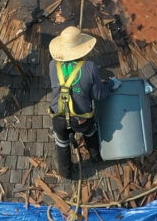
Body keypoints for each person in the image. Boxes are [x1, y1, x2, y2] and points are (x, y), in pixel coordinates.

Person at [47, 26, 120, 179]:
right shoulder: (90, 67)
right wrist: (111, 85)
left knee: (62, 143)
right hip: (81, 119)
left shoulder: (53, 65)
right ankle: (95, 157)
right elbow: (98, 95)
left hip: (58, 116)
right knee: (90, 132)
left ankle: (66, 173)